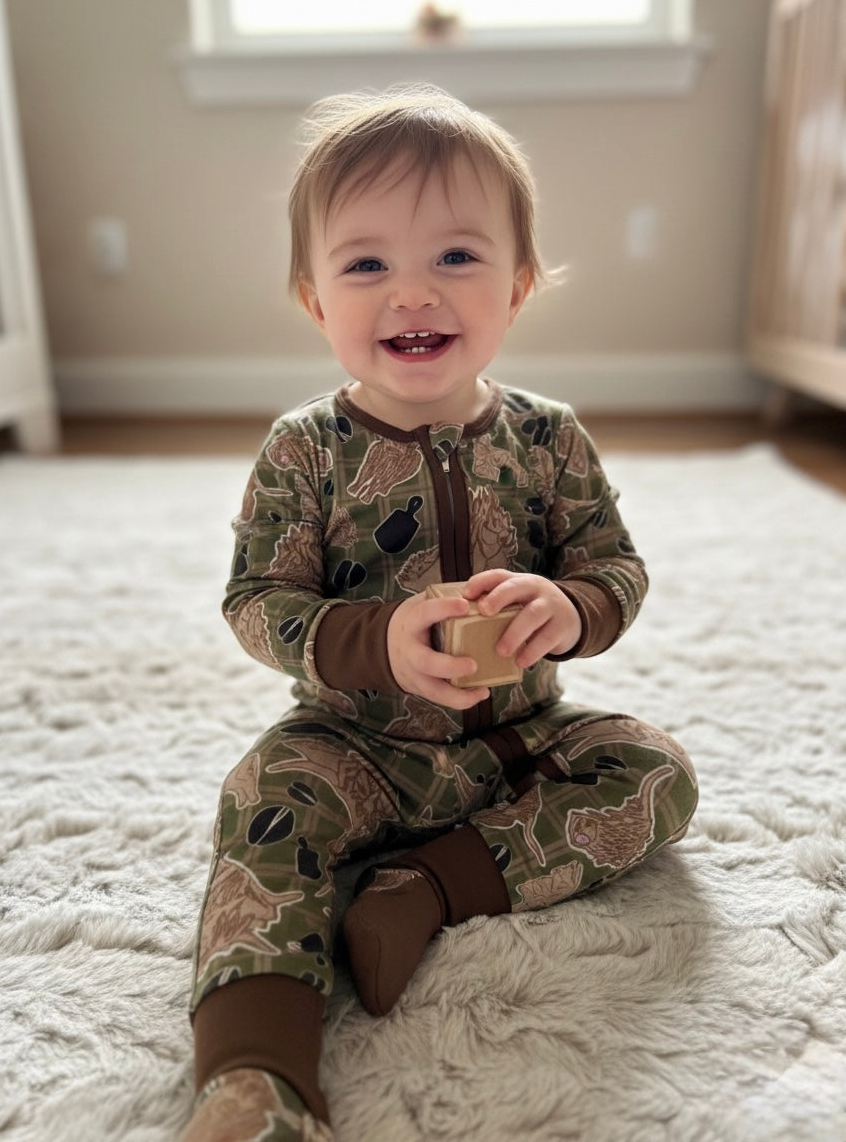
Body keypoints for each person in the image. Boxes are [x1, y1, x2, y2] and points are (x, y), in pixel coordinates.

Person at [179, 83, 698, 1142]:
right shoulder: (305, 449)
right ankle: (257, 1076)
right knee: (263, 802)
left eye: (456, 256)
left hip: (518, 739)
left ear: (517, 287)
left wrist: (569, 606)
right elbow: (257, 600)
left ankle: (427, 886)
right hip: (353, 741)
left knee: (654, 769)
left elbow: (615, 565)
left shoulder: (549, 439)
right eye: (366, 265)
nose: (412, 291)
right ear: (316, 302)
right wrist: (376, 640)